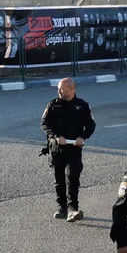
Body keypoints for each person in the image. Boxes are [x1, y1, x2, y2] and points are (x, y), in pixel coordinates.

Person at [41, 77, 97, 222]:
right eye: (58, 88)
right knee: (59, 179)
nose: (59, 91)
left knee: (72, 176)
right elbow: (45, 123)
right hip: (56, 148)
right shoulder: (53, 105)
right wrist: (57, 136)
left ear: (71, 90)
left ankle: (73, 209)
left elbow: (91, 125)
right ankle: (62, 208)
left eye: (62, 89)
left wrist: (82, 137)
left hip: (73, 148)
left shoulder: (82, 106)